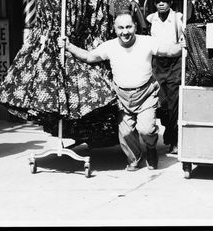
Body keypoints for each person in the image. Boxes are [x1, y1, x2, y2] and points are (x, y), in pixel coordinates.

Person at [59, 10, 182, 171]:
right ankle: (135, 158)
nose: (125, 32)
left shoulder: (147, 42)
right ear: (115, 29)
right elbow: (89, 57)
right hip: (122, 96)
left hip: (146, 93)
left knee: (146, 130)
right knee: (125, 134)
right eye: (121, 28)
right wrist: (68, 46)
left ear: (135, 26)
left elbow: (170, 51)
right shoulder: (109, 46)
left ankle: (151, 149)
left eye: (129, 27)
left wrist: (184, 44)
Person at [146, 0, 182, 155]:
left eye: (164, 0)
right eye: (158, 0)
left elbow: (184, 42)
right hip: (157, 64)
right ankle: (169, 132)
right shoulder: (150, 19)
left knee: (174, 102)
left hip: (174, 63)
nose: (161, 3)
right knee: (163, 103)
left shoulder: (178, 18)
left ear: (170, 2)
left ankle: (174, 140)